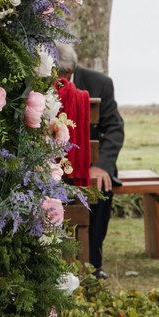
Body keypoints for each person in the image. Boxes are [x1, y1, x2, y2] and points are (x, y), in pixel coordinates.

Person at [55, 42, 124, 278]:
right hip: (49, 164)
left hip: (87, 164)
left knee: (102, 184)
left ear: (67, 71)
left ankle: (93, 265)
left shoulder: (99, 83)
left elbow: (114, 128)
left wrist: (101, 166)